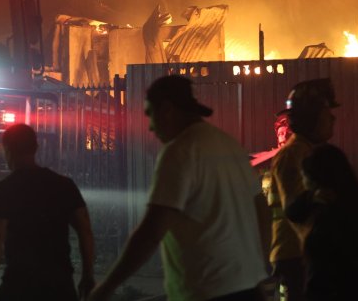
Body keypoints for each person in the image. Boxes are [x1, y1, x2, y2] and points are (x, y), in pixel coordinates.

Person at [88, 75, 268, 301]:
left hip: (207, 291)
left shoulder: (180, 151)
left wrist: (106, 286)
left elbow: (151, 231)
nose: (151, 127)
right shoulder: (230, 145)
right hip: (250, 288)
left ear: (167, 109)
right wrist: (262, 268)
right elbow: (262, 209)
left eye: (150, 115)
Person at [0, 123, 95, 301]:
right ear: (35, 148)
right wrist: (88, 276)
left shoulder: (4, 189)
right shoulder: (64, 185)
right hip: (59, 284)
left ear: (7, 150)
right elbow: (85, 230)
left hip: (18, 285)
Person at [286, 144, 358, 301]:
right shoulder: (353, 201)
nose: (303, 182)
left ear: (316, 179)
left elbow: (321, 276)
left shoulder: (331, 217)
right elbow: (292, 212)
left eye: (304, 176)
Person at [268, 78, 339, 301]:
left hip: (307, 253)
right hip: (296, 255)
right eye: (326, 112)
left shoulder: (310, 151)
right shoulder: (293, 155)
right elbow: (296, 209)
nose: (332, 117)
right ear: (311, 119)